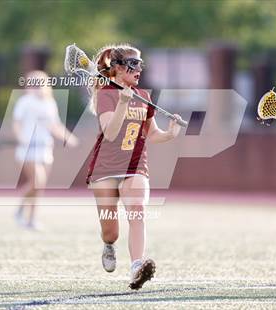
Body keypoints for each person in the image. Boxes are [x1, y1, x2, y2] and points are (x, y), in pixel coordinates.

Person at [86, 44, 183, 289]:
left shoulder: (143, 95)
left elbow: (152, 133)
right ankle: (109, 245)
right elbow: (109, 133)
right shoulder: (106, 94)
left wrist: (169, 134)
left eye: (140, 63)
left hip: (135, 164)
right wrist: (121, 104)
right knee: (111, 230)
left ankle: (136, 268)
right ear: (117, 68)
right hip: (106, 168)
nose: (139, 68)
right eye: (133, 63)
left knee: (137, 210)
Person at [13, 70, 78, 230]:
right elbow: (16, 123)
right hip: (28, 149)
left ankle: (31, 218)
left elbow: (55, 125)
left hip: (45, 149)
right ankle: (22, 211)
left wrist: (68, 137)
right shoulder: (25, 101)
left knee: (38, 186)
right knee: (37, 181)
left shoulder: (49, 103)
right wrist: (21, 137)